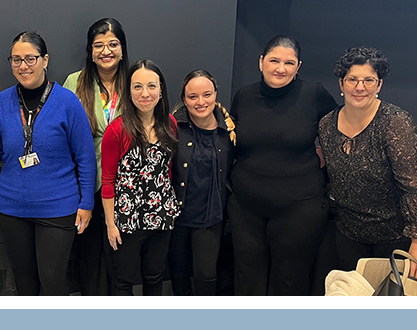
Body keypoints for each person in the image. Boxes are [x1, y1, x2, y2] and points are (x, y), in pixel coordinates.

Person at [229, 35, 337, 295]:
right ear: (261, 62)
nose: (280, 68)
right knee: (247, 275)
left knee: (289, 279)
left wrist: (322, 149)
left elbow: (339, 127)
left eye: (289, 63)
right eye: (274, 60)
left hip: (299, 208)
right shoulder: (243, 96)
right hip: (246, 207)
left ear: (298, 67)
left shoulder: (314, 95)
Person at [0, 31, 95, 296]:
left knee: (52, 282)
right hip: (12, 207)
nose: (23, 66)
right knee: (24, 282)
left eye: (30, 58)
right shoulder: (2, 102)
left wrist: (86, 203)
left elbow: (85, 155)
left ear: (45, 60)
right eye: (16, 60)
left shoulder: (67, 102)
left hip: (58, 207)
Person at [317, 47, 417, 273]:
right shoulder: (326, 125)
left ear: (379, 85)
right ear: (341, 84)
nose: (359, 87)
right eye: (352, 79)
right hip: (348, 234)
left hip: (394, 237)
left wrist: (416, 241)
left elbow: (413, 187)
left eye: (369, 80)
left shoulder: (395, 123)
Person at [62, 17, 129, 296]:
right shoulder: (75, 82)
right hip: (86, 182)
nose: (106, 51)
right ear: (90, 51)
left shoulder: (134, 80)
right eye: (98, 45)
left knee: (121, 255)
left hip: (126, 183)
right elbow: (60, 130)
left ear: (122, 48)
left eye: (113, 44)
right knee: (89, 257)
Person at [101, 59, 178, 296]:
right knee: (123, 280)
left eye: (151, 86)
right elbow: (107, 180)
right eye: (137, 87)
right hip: (127, 218)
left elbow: (168, 171)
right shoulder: (117, 130)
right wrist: (110, 223)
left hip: (161, 214)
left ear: (161, 89)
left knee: (155, 277)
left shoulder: (170, 124)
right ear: (129, 91)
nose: (145, 93)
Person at [167, 70, 235, 296]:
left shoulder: (229, 130)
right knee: (178, 272)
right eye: (192, 97)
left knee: (206, 276)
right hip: (178, 215)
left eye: (206, 94)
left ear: (215, 94)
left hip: (211, 216)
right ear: (184, 99)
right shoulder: (173, 127)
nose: (200, 102)